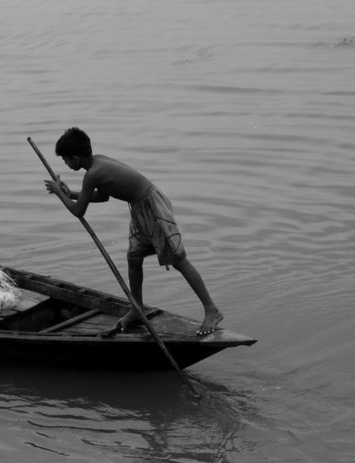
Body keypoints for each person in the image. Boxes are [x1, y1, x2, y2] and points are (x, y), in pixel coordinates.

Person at [43, 127, 224, 337]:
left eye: (65, 160)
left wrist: (59, 193)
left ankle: (212, 310)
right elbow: (104, 196)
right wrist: (72, 193)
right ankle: (137, 309)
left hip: (152, 207)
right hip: (140, 208)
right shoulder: (97, 164)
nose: (65, 163)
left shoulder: (93, 174)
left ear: (75, 158)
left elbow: (78, 211)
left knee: (178, 260)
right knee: (134, 257)